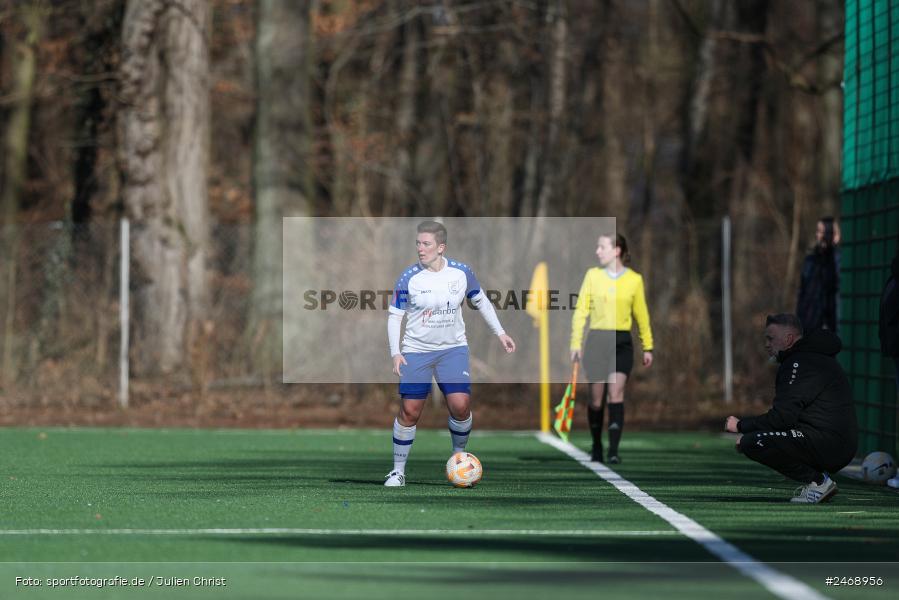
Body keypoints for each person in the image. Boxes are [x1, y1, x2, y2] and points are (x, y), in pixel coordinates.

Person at [384, 221, 516, 487]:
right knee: (410, 411)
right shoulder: (409, 277)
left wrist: (500, 332)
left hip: (452, 351)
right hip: (416, 352)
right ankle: (398, 471)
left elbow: (481, 301)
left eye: (426, 244)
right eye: (418, 243)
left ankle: (459, 458)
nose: (420, 249)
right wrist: (395, 353)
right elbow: (394, 316)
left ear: (441, 247)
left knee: (460, 405)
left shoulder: (461, 273)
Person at [725, 313, 857, 504]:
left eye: (771, 338)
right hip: (834, 441)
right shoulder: (812, 358)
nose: (767, 344)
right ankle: (817, 481)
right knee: (760, 439)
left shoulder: (798, 363)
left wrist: (741, 425)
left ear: (788, 340)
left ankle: (818, 483)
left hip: (829, 443)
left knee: (753, 442)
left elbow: (782, 418)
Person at [569, 233, 653, 464]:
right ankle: (596, 445)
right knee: (596, 400)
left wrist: (648, 346)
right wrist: (575, 342)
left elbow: (642, 315)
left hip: (621, 343)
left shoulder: (634, 280)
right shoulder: (592, 276)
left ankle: (613, 450)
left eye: (602, 247)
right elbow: (581, 312)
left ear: (617, 250)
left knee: (616, 394)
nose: (598, 251)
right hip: (596, 341)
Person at [796, 217, 840, 333]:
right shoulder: (810, 260)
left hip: (832, 326)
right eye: (819, 231)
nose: (820, 236)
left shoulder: (839, 261)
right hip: (808, 325)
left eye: (825, 232)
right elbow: (802, 293)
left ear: (836, 236)